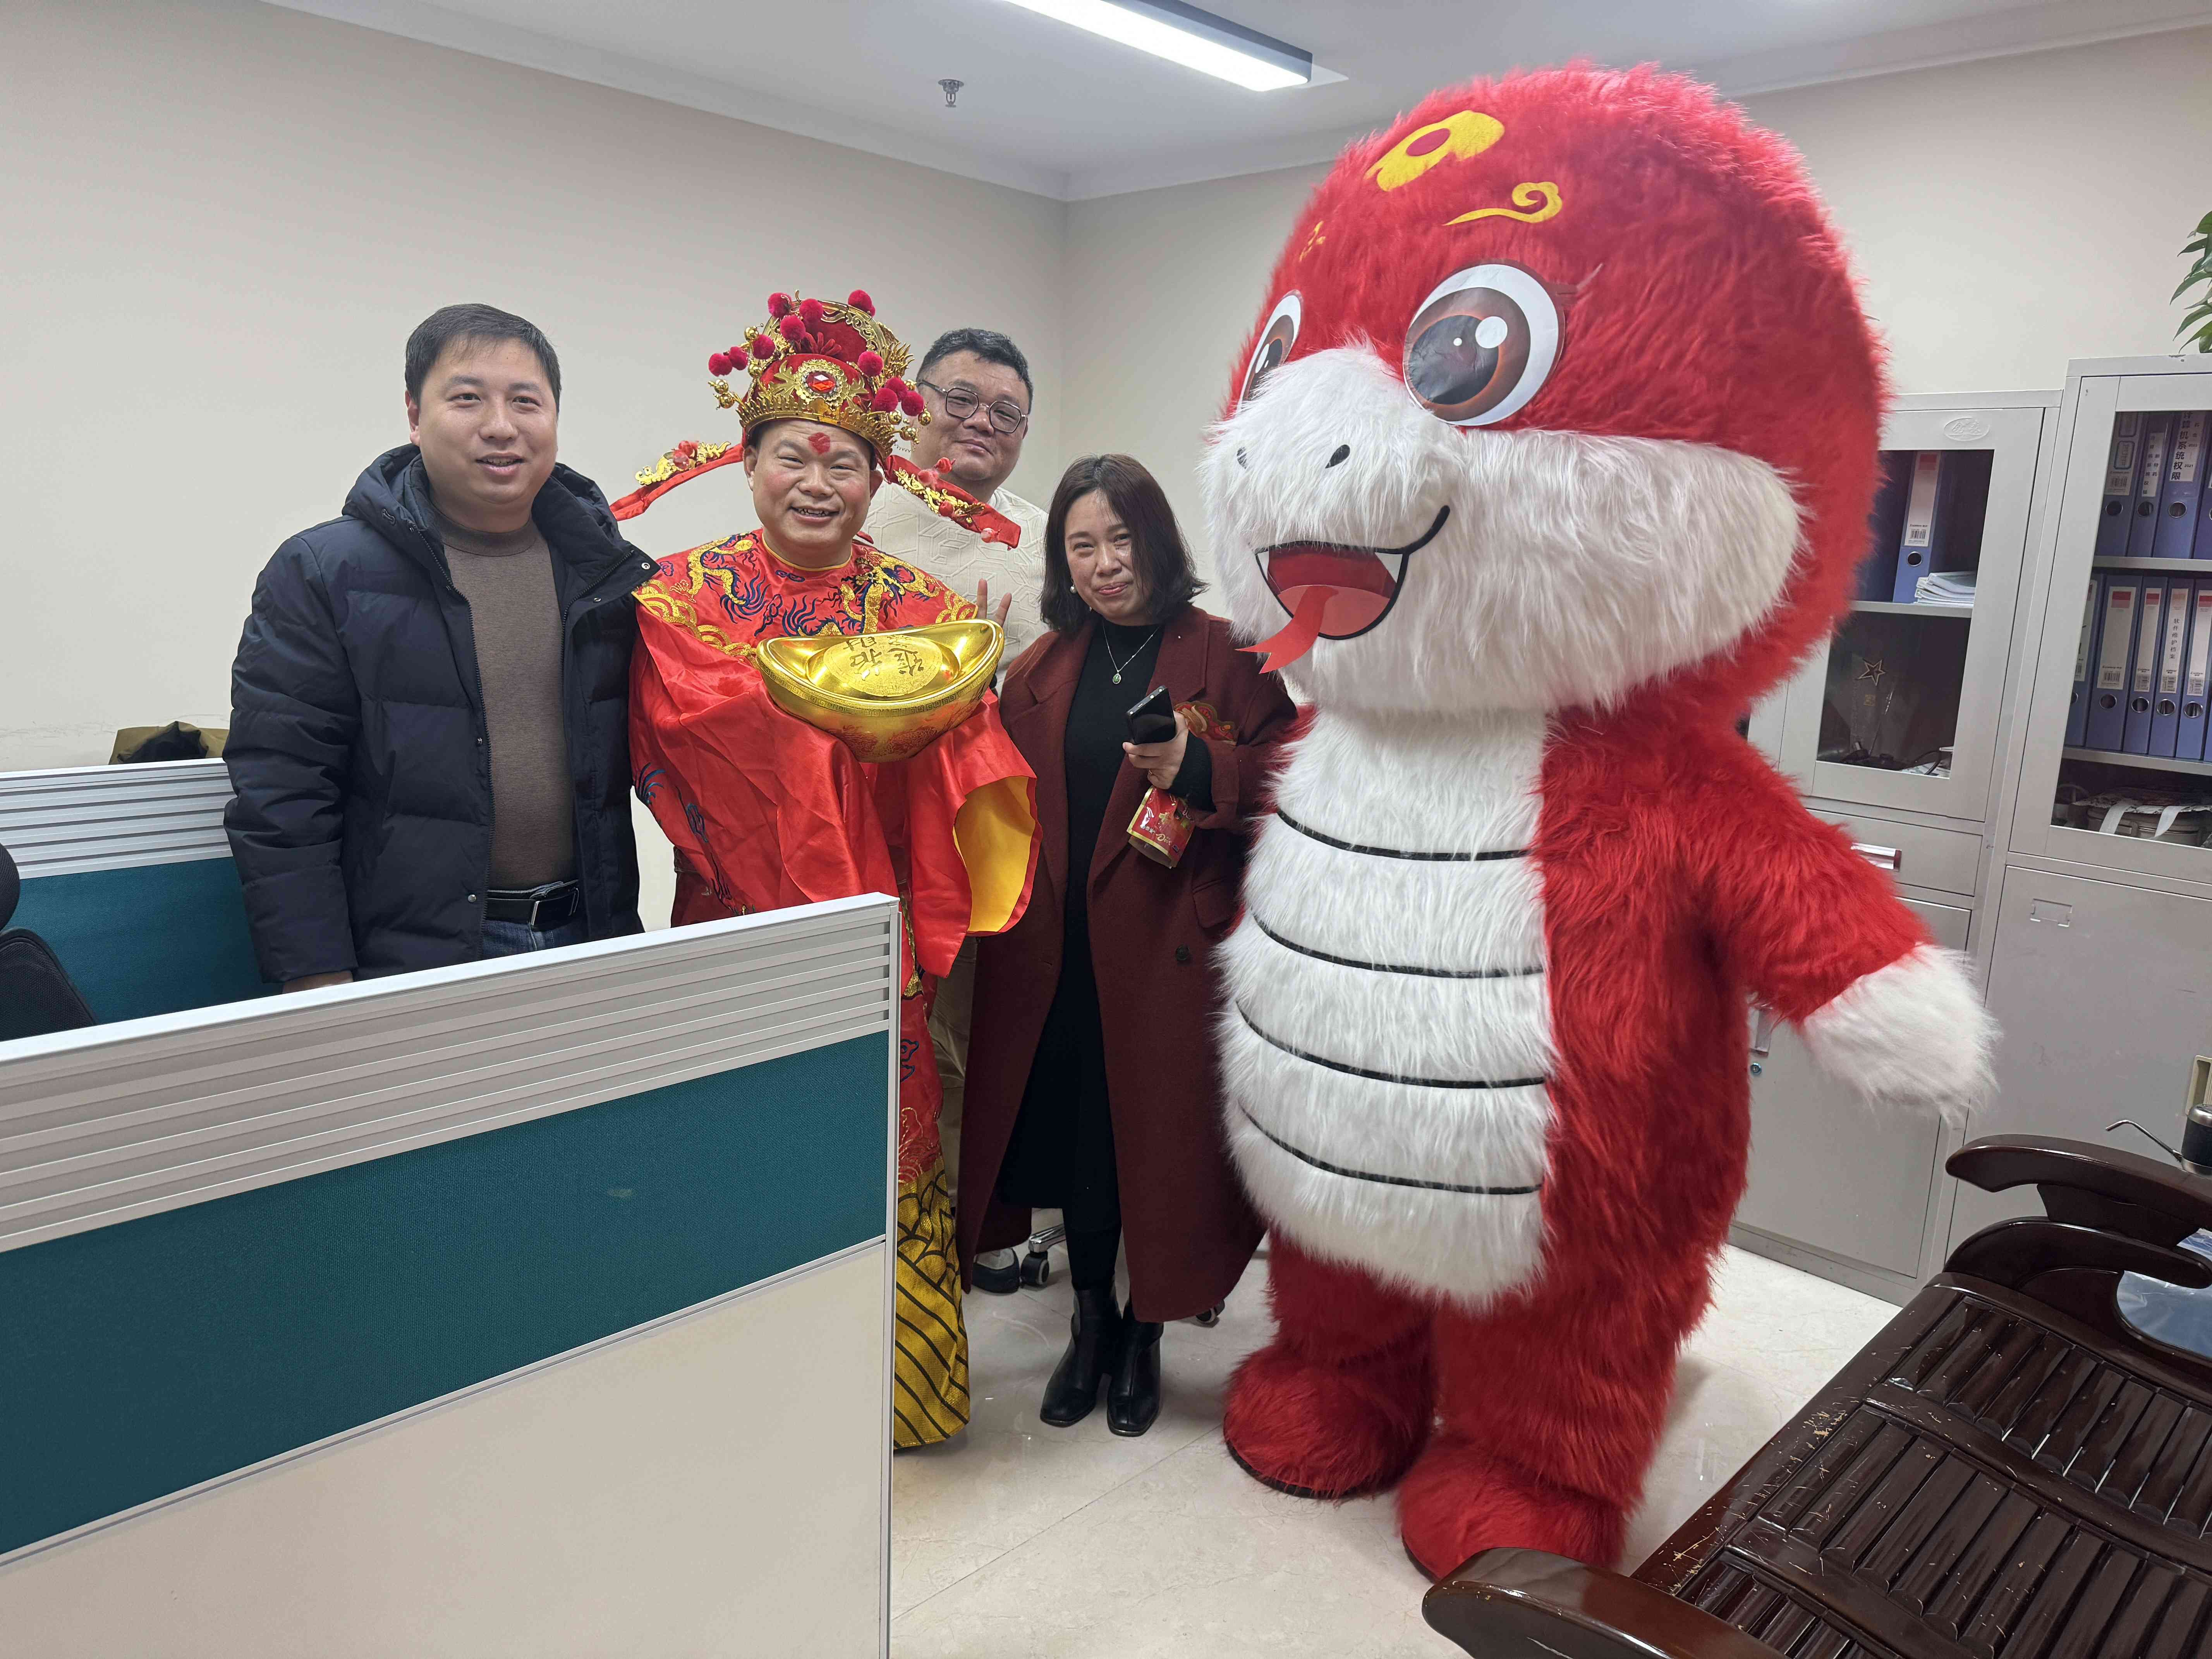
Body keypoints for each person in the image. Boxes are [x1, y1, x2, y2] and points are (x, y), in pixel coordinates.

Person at [616, 289, 1042, 1450]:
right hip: (738, 928)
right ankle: (743, 1398)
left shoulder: (918, 602)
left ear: (878, 476)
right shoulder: (682, 597)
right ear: (748, 464)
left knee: (889, 1141)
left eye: (844, 463)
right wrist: (852, 710)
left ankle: (900, 1399)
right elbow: (697, 735)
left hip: (876, 938)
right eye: (793, 457)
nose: (818, 482)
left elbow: (965, 751)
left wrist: (953, 699)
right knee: (741, 1138)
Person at [958, 454, 1297, 1436]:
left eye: (1121, 539)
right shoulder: (1040, 666)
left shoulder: (1228, 653)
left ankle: (1146, 1333)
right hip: (1056, 956)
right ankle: (1092, 1324)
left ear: (1157, 540)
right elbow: (992, 790)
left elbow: (1294, 773)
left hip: (1165, 952)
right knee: (1081, 1145)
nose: (1106, 563)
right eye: (1082, 546)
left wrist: (1201, 766)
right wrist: (960, 693)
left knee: (1154, 1144)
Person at [225, 304, 652, 990]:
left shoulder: (603, 573)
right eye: (467, 398)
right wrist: (316, 979)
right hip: (416, 962)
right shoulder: (324, 573)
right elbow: (283, 796)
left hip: (593, 939)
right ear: (414, 415)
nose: (501, 426)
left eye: (526, 402)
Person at [865, 329, 1048, 1272]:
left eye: (1006, 412)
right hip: (880, 824)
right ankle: (884, 1238)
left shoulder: (1042, 537)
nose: (982, 422)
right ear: (916, 405)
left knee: (976, 1034)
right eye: (961, 400)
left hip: (1000, 829)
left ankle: (966, 1230)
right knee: (894, 1033)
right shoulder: (862, 513)